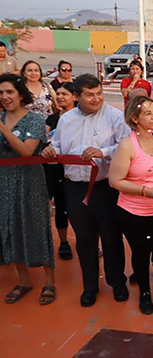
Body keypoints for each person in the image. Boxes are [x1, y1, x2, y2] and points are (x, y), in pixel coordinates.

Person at [41, 74, 131, 307]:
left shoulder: (114, 116)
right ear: (76, 96)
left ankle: (117, 282)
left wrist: (103, 152)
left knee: (111, 236)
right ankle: (90, 286)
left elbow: (126, 146)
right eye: (89, 95)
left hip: (104, 186)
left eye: (99, 93)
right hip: (73, 187)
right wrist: (51, 150)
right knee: (84, 238)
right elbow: (58, 145)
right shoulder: (67, 119)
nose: (96, 99)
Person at [109, 95, 153, 315]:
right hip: (135, 212)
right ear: (134, 118)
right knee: (141, 254)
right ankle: (145, 294)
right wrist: (145, 191)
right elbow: (115, 180)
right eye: (147, 113)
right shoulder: (126, 145)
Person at [0, 74, 56, 305]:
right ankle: (23, 280)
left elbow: (26, 151)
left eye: (9, 92)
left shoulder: (33, 120)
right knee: (10, 227)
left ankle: (49, 281)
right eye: (1, 93)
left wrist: (2, 128)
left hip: (29, 181)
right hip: (4, 182)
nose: (5, 97)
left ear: (20, 94)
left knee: (36, 226)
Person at [45, 82, 77, 261]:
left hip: (77, 168)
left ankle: (88, 242)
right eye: (58, 93)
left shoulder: (82, 119)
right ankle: (64, 241)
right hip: (56, 169)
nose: (60, 97)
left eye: (64, 94)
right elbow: (45, 138)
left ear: (74, 96)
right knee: (61, 203)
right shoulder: (52, 119)